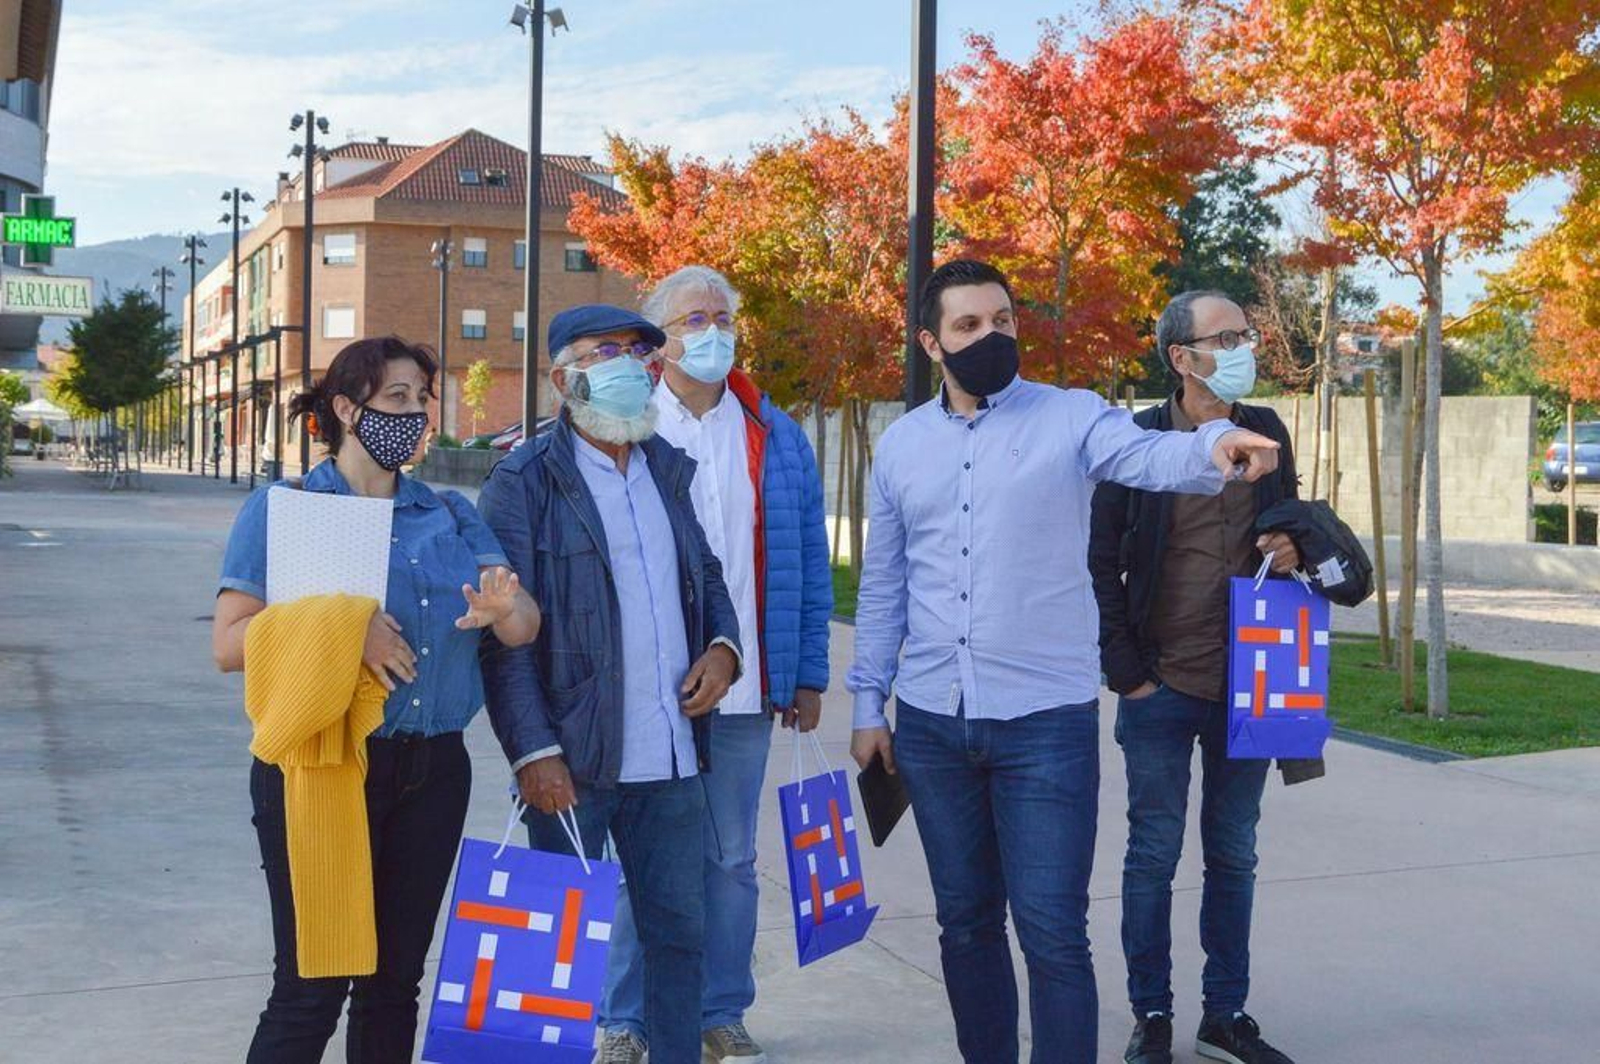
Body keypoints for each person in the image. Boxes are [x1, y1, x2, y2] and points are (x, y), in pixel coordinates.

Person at [846, 260, 1283, 1064]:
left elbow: (1149, 455)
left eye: (1003, 321)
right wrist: (869, 704)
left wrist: (1216, 440)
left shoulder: (1073, 417)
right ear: (930, 342)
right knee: (966, 923)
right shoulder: (901, 445)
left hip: (1044, 724)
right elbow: (885, 583)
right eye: (969, 326)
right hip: (935, 723)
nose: (990, 336)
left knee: (1052, 930)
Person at [212, 335, 543, 1064]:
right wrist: (342, 627)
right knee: (311, 986)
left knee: (395, 984)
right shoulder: (289, 508)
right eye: (397, 398)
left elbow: (522, 622)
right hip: (325, 768)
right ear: (345, 407)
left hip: (433, 771)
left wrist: (503, 613)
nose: (417, 414)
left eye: (423, 399)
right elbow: (229, 645)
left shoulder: (450, 513)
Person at [476, 304, 744, 1064]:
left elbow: (707, 576)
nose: (630, 363)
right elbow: (506, 637)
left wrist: (723, 651)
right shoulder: (522, 482)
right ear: (564, 377)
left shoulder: (665, 466)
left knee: (677, 940)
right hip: (575, 759)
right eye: (607, 351)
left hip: (671, 759)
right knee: (546, 954)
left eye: (639, 351)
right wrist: (533, 750)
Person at [596, 267, 832, 1064]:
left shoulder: (773, 429)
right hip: (646, 690)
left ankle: (718, 1012)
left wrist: (806, 672)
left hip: (746, 684)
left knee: (732, 860)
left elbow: (804, 557)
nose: (713, 330)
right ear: (659, 339)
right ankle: (624, 1019)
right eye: (694, 318)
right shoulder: (625, 423)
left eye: (723, 315)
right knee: (643, 860)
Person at [1089, 291, 1304, 1064]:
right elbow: (1103, 559)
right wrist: (1127, 673)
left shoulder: (1269, 430)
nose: (1245, 345)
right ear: (1181, 358)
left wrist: (1295, 549)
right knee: (1152, 851)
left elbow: (1293, 532)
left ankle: (1226, 1013)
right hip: (1161, 681)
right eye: (1227, 337)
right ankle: (1152, 1015)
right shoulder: (1136, 439)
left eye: (1247, 333)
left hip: (1253, 681)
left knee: (1234, 850)